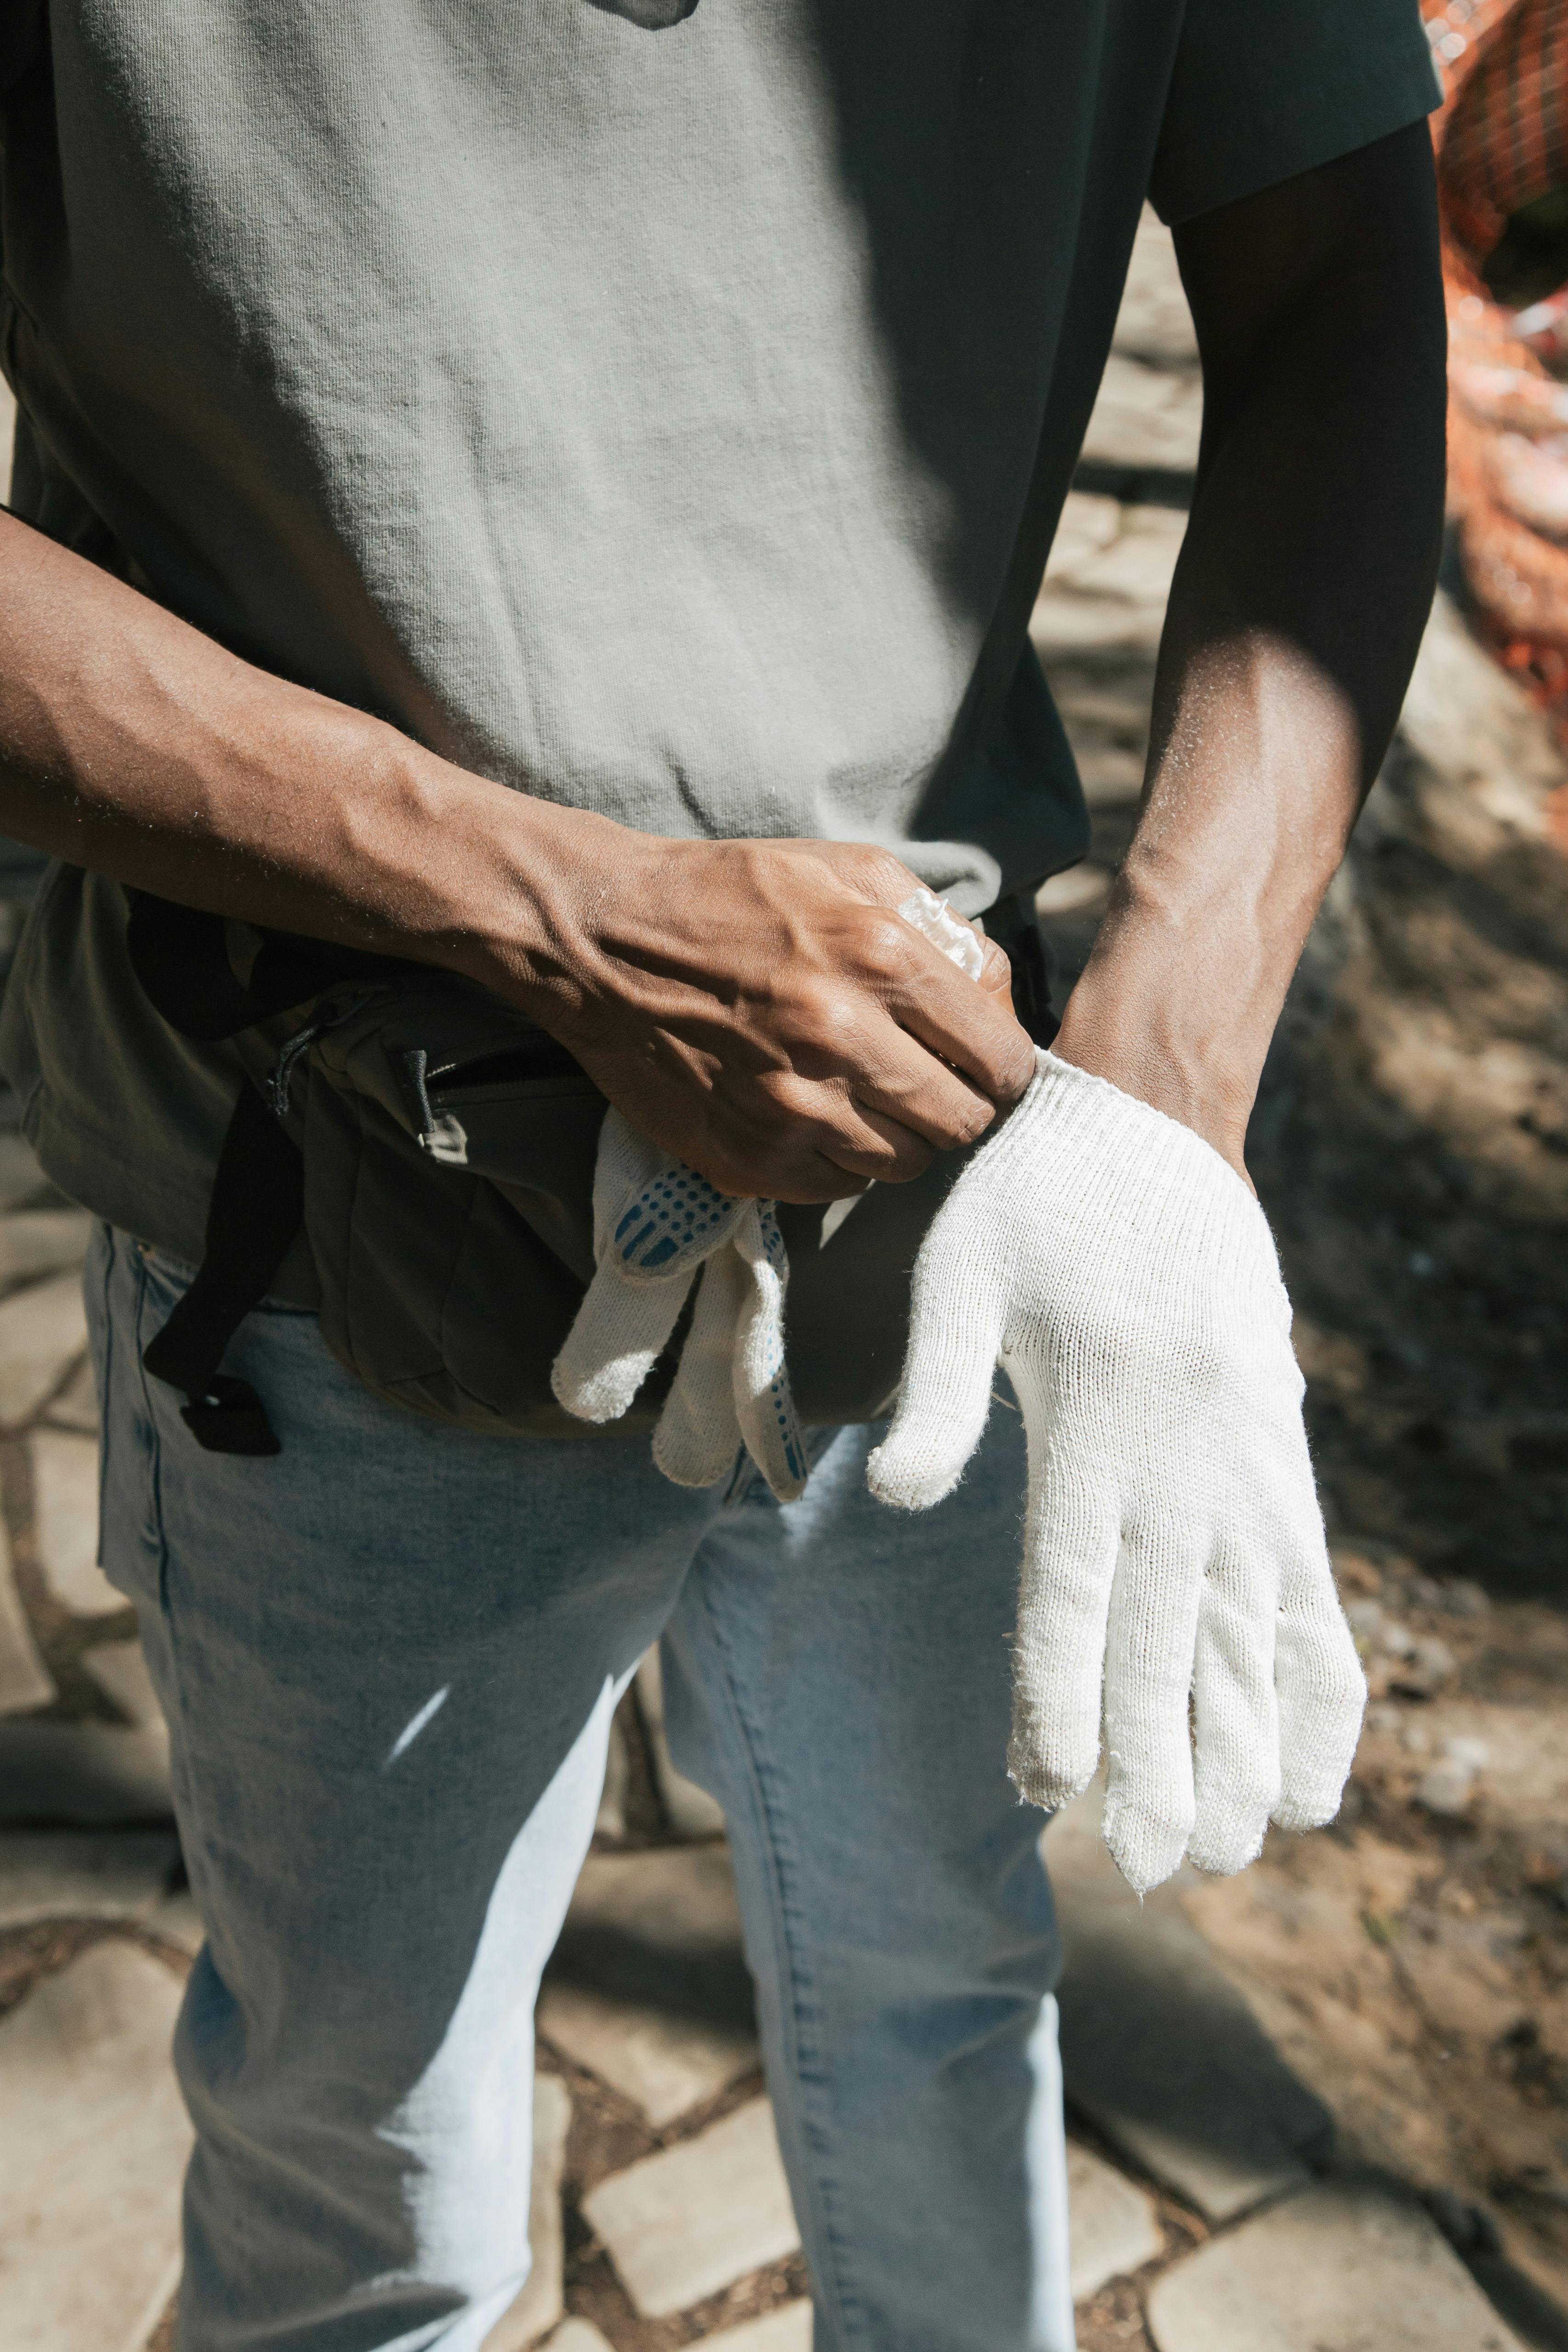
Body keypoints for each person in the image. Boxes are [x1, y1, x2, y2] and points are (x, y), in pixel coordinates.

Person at [0, 5, 1445, 2347]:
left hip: (981, 1205)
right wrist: (556, 909)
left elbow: (1342, 271)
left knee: (945, 1985)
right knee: (371, 2184)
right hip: (339, 1228)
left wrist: (1160, 1098)